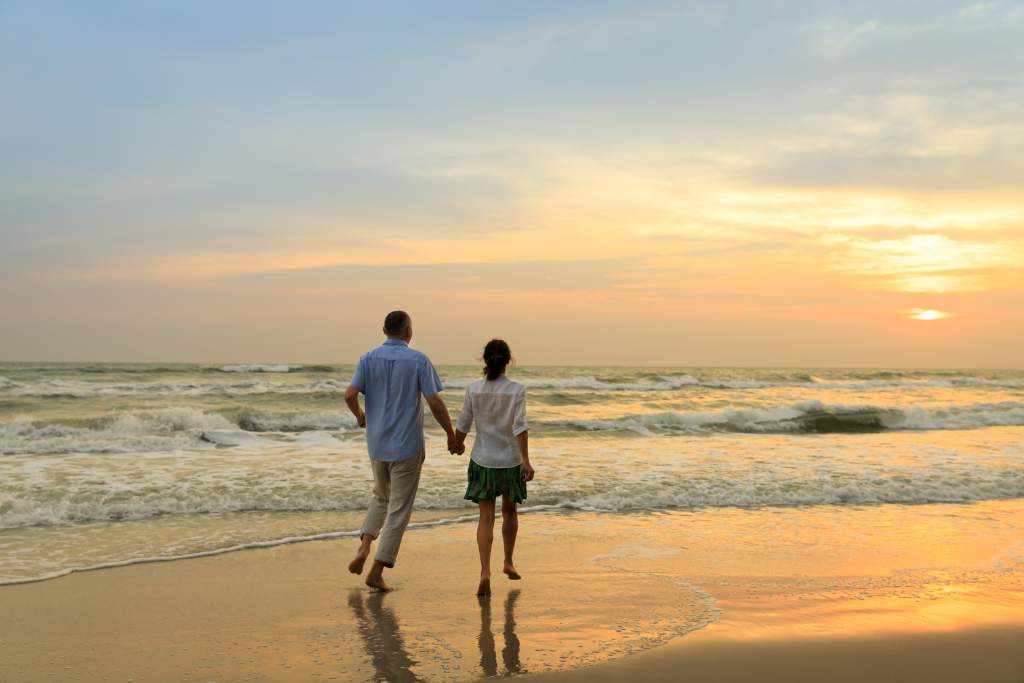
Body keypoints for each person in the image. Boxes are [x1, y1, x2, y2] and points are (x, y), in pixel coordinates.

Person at [345, 310, 461, 592]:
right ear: (408, 332)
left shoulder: (367, 358)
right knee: (399, 509)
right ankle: (376, 570)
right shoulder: (418, 359)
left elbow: (349, 394)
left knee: (380, 496)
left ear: (384, 329)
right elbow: (433, 401)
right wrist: (451, 435)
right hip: (407, 446)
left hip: (377, 444)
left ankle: (364, 547)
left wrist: (360, 416)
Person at [452, 339, 535, 596]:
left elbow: (464, 421)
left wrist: (456, 443)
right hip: (510, 460)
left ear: (484, 360)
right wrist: (527, 460)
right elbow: (519, 426)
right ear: (508, 361)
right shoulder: (516, 390)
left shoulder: (473, 389)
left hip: (482, 460)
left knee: (485, 517)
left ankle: (485, 571)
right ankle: (508, 562)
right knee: (509, 513)